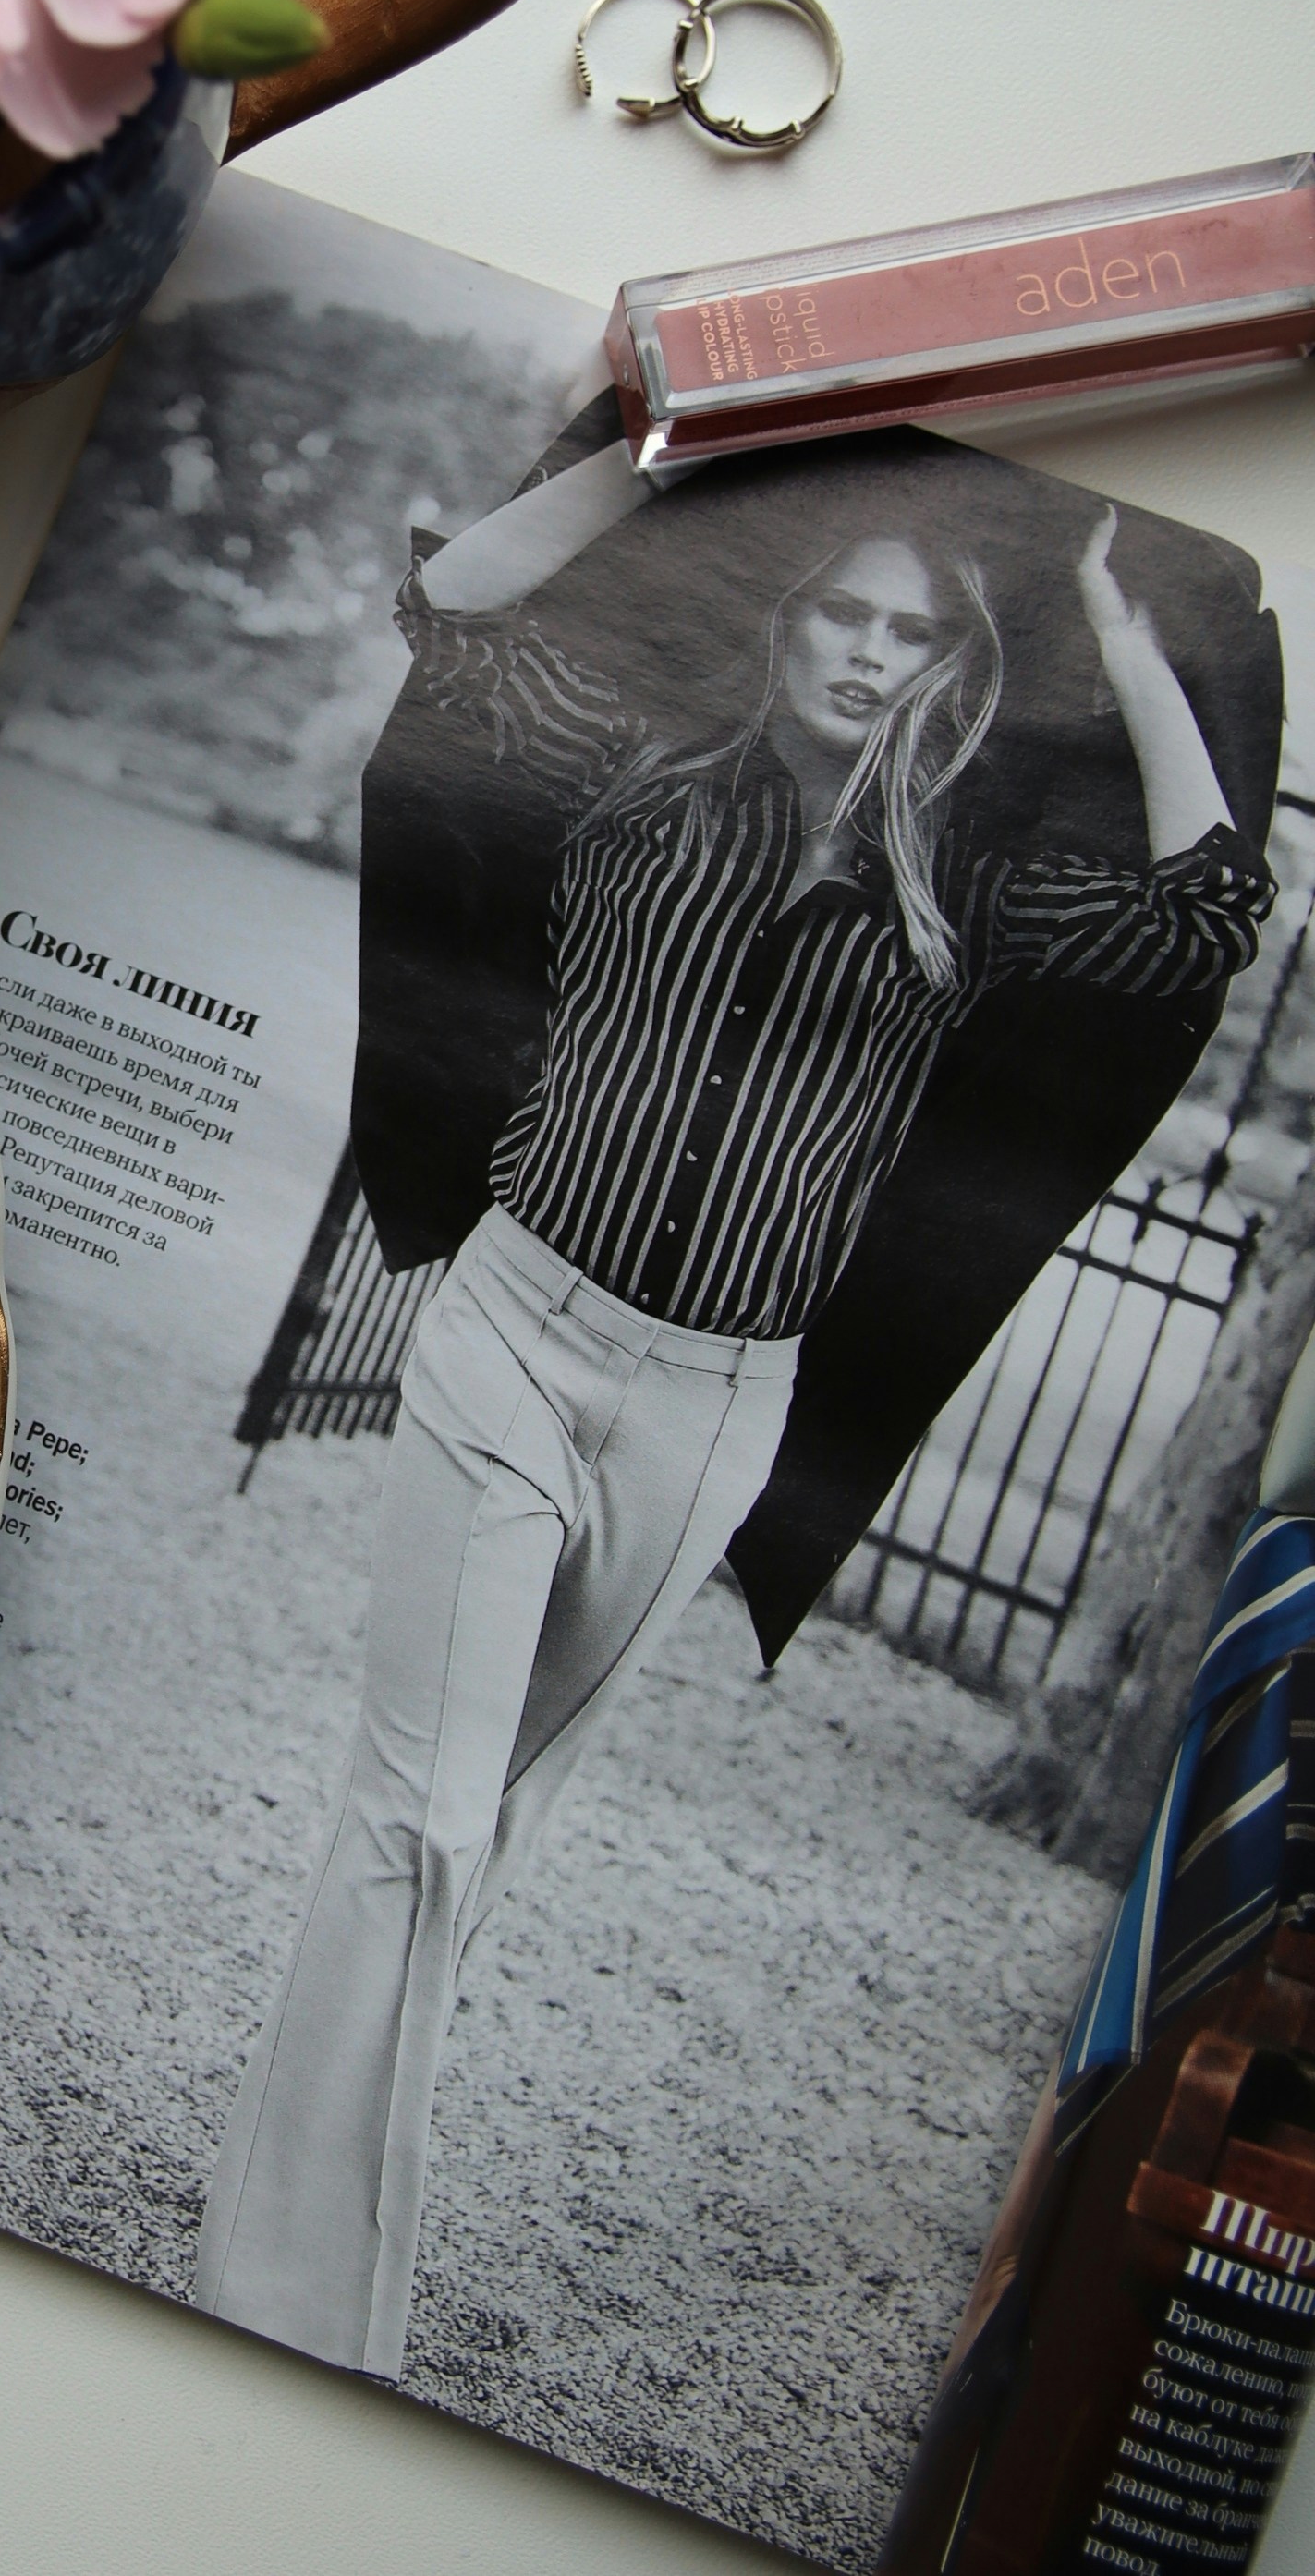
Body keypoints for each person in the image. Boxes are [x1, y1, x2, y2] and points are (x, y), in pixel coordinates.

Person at [192, 442, 1274, 2382]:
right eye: (836, 612)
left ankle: (289, 2217)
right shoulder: (632, 762)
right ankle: (296, 2310)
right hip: (514, 1334)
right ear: (784, 622)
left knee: (476, 1825)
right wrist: (659, 443)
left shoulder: (968, 875)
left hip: (713, 1401)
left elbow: (1202, 909)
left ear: (945, 663)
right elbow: (450, 610)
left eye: (905, 630)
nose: (860, 652)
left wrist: (1113, 628)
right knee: (418, 1817)